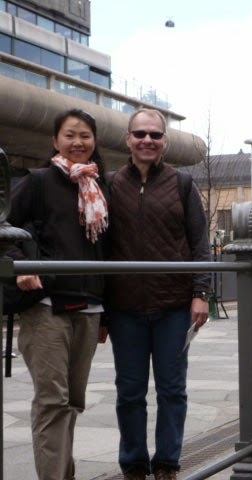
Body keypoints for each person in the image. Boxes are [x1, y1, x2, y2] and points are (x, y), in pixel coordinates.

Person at [106, 108, 211, 480]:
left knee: (172, 390)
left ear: (165, 141)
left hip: (173, 307)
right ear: (128, 139)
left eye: (155, 134)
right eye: (140, 134)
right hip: (124, 309)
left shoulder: (182, 184)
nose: (147, 140)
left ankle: (167, 463)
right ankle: (134, 464)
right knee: (129, 392)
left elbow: (200, 243)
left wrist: (201, 292)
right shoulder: (110, 183)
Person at [7, 109, 109, 480]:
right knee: (52, 402)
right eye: (69, 135)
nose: (77, 142)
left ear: (94, 141)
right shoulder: (37, 182)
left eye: (85, 135)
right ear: (55, 141)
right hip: (47, 308)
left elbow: (104, 253)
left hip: (89, 308)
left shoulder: (99, 186)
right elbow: (4, 230)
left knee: (73, 403)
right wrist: (22, 266)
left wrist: (106, 313)